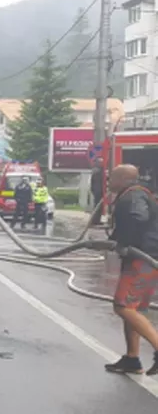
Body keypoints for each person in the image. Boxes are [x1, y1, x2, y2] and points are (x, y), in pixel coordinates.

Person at [103, 164, 158, 376]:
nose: (108, 180)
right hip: (146, 256)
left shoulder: (133, 197)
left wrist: (124, 243)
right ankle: (132, 359)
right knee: (134, 310)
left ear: (123, 178)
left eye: (112, 176)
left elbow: (137, 219)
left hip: (142, 257)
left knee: (123, 306)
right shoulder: (136, 194)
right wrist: (116, 239)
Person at [92, 158, 106, 226]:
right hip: (98, 191)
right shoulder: (97, 171)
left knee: (99, 206)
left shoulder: (99, 170)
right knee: (98, 206)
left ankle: (97, 220)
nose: (101, 164)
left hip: (98, 190)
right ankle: (95, 221)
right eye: (100, 162)